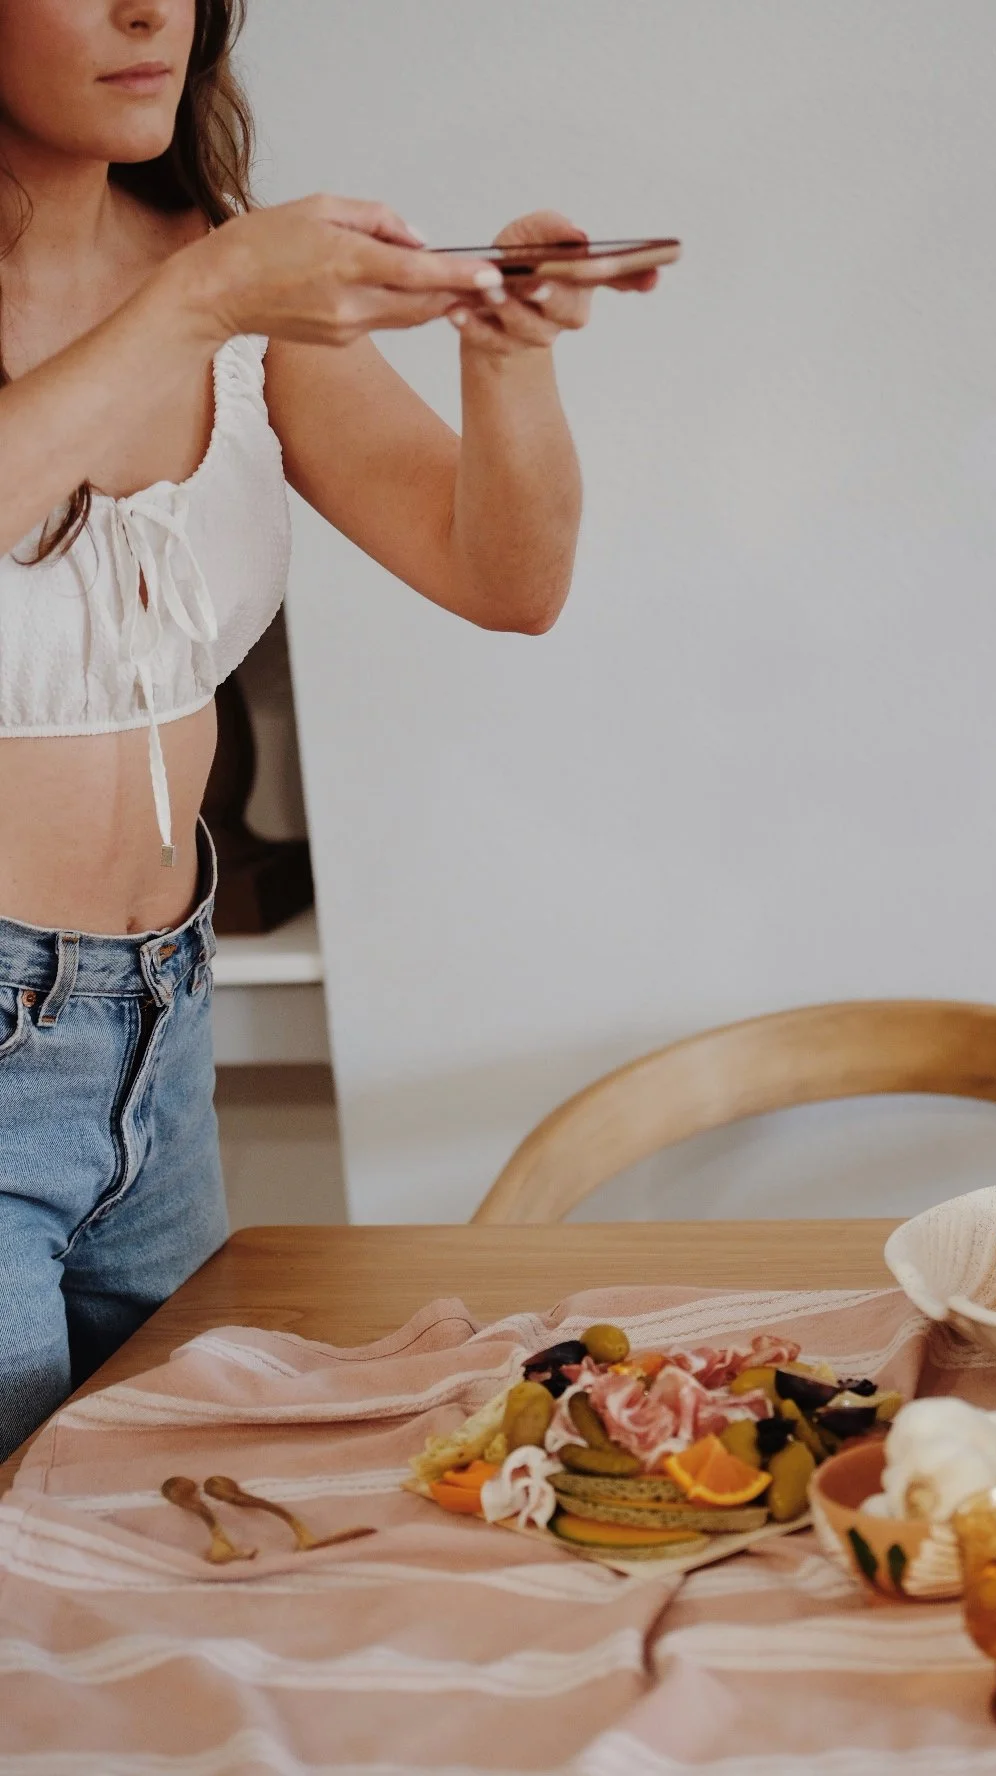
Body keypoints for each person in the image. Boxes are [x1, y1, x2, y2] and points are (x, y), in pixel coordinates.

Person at [0, 0, 661, 1462]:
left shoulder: (218, 288)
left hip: (156, 1030)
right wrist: (206, 296)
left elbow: (507, 579)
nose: (146, 10)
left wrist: (508, 359)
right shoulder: (217, 291)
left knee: (173, 1541)